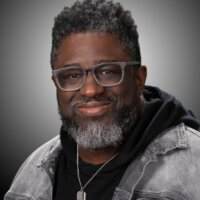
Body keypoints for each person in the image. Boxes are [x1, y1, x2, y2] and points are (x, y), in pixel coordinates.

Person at [4, 0, 200, 199]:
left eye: (107, 71)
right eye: (72, 75)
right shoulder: (34, 171)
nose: (90, 90)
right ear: (56, 83)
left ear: (139, 79)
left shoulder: (194, 164)